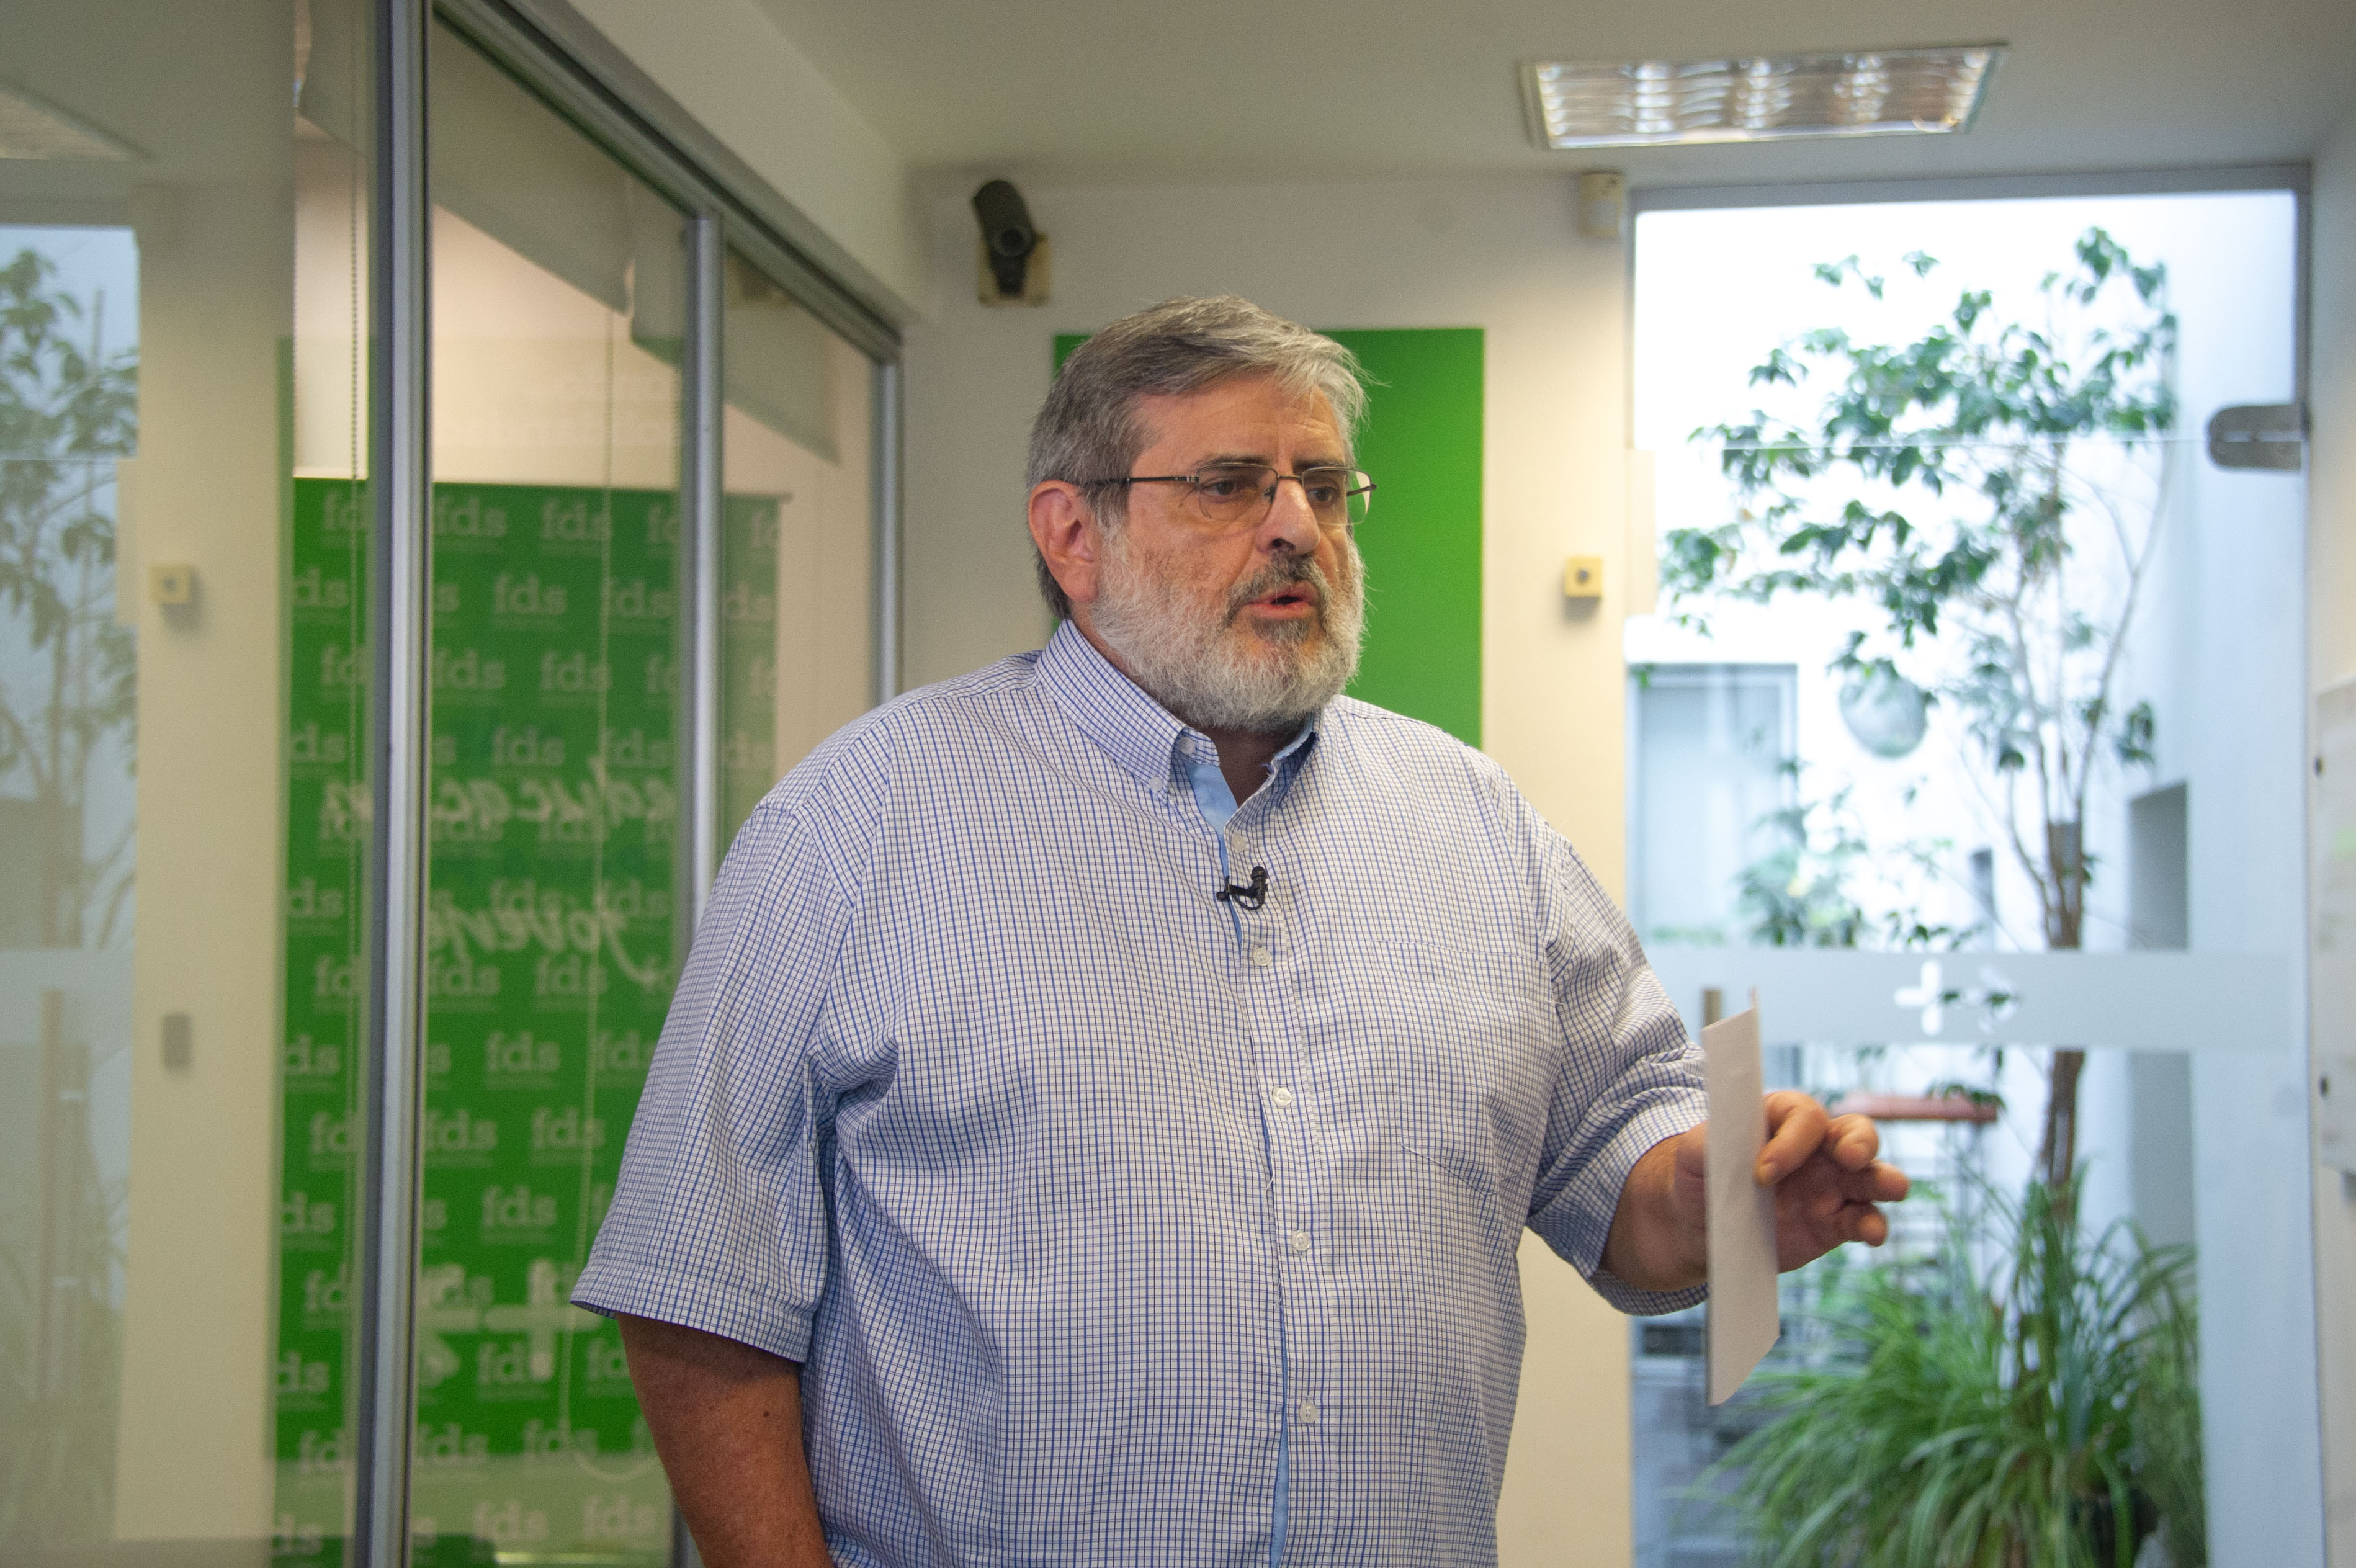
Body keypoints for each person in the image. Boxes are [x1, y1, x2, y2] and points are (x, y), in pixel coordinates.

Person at [573, 295, 1907, 1567]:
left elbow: (1624, 1173)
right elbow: (698, 1293)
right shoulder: (858, 825)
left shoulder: (1475, 823)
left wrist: (1715, 1194)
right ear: (1073, 535)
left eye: (1322, 487)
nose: (1295, 528)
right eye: (1227, 486)